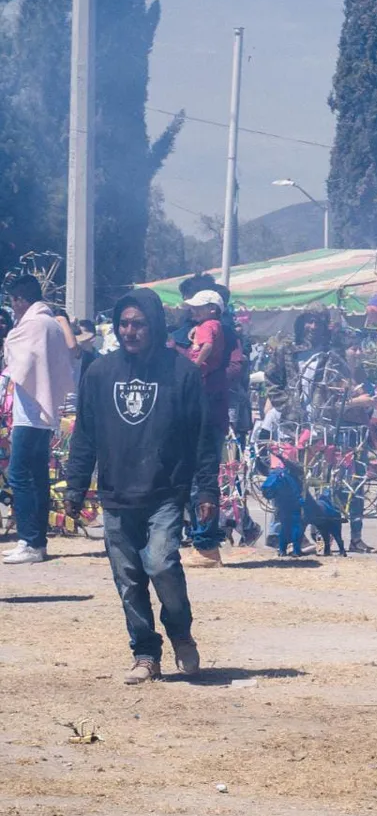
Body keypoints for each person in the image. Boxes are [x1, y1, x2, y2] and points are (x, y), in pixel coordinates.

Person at [65, 289, 219, 685]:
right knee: (129, 579)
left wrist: (206, 491)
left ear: (155, 326)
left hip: (165, 490)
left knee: (161, 564)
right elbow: (84, 435)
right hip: (116, 493)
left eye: (139, 324)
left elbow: (203, 435)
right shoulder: (99, 373)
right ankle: (145, 654)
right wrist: (76, 488)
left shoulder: (182, 372)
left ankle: (181, 633)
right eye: (124, 324)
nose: (130, 331)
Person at [2, 275, 75, 564]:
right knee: (38, 478)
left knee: (20, 476)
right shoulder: (52, 324)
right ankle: (37, 542)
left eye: (12, 301)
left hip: (31, 413)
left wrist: (8, 339)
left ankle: (29, 540)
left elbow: (15, 356)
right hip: (41, 411)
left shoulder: (33, 325)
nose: (12, 308)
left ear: (20, 299)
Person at [181, 289, 229, 566]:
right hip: (209, 410)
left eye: (199, 307)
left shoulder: (208, 327)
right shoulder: (212, 327)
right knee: (201, 476)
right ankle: (203, 544)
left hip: (205, 411)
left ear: (212, 309)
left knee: (202, 477)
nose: (193, 311)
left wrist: (194, 366)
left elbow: (207, 347)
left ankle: (206, 546)